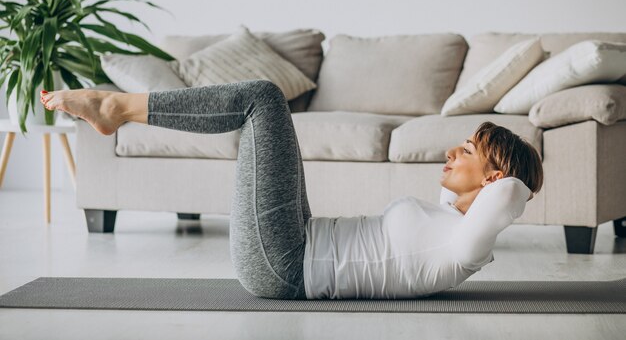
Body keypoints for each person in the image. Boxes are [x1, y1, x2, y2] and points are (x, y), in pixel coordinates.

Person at [39, 79, 543, 300]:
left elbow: (511, 195)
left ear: (495, 179)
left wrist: (510, 174)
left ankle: (117, 109)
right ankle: (117, 110)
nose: (452, 154)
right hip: (294, 243)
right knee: (272, 117)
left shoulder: (463, 246)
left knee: (263, 99)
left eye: (467, 152)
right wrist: (480, 170)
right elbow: (477, 198)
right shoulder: (450, 226)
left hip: (284, 263)